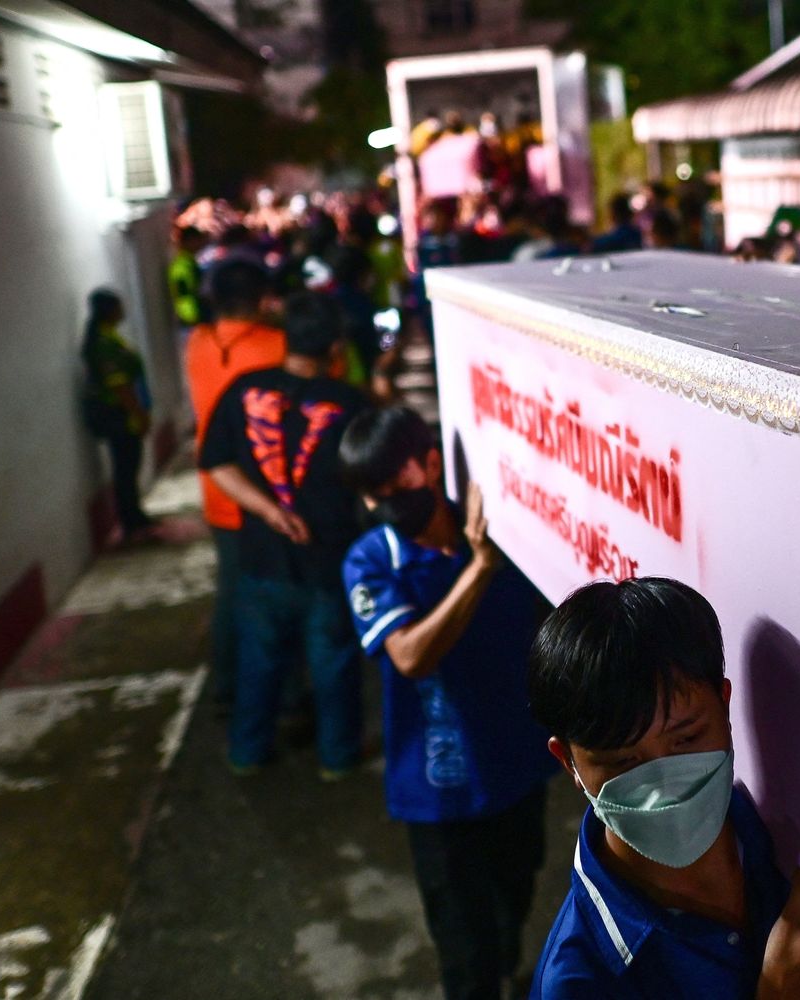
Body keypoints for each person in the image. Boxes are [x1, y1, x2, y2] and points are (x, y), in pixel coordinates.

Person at [526, 577, 800, 998]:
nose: (665, 784)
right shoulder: (579, 980)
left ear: (725, 703)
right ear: (568, 762)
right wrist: (784, 987)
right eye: (624, 763)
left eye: (688, 738)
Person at [338, 406, 555, 1000]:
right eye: (371, 496)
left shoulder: (499, 528)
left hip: (516, 768)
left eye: (394, 486)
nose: (385, 505)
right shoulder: (372, 560)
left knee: (515, 897)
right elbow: (409, 656)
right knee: (464, 950)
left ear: (431, 463)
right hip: (438, 793)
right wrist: (480, 569)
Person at [199, 291, 367, 777]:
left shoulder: (243, 388)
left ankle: (247, 752)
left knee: (260, 662)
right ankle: (337, 758)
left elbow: (215, 462)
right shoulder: (350, 403)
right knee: (333, 664)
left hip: (262, 558)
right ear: (336, 346)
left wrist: (269, 511)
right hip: (328, 561)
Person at [184, 261, 287, 711]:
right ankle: (285, 698)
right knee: (279, 598)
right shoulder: (276, 345)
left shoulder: (199, 342)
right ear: (263, 298)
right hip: (269, 493)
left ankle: (226, 688)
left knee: (231, 595)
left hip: (218, 488)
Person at [80, 288, 153, 541]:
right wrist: (139, 413)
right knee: (125, 468)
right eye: (119, 306)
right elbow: (120, 385)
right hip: (119, 415)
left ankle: (135, 514)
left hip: (123, 413)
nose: (123, 311)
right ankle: (130, 520)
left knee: (129, 466)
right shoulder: (104, 343)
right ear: (109, 310)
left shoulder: (109, 337)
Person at [169, 226, 207, 329]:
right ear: (189, 241)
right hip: (191, 319)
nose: (200, 243)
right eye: (197, 240)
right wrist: (192, 316)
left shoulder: (189, 262)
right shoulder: (182, 266)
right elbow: (183, 295)